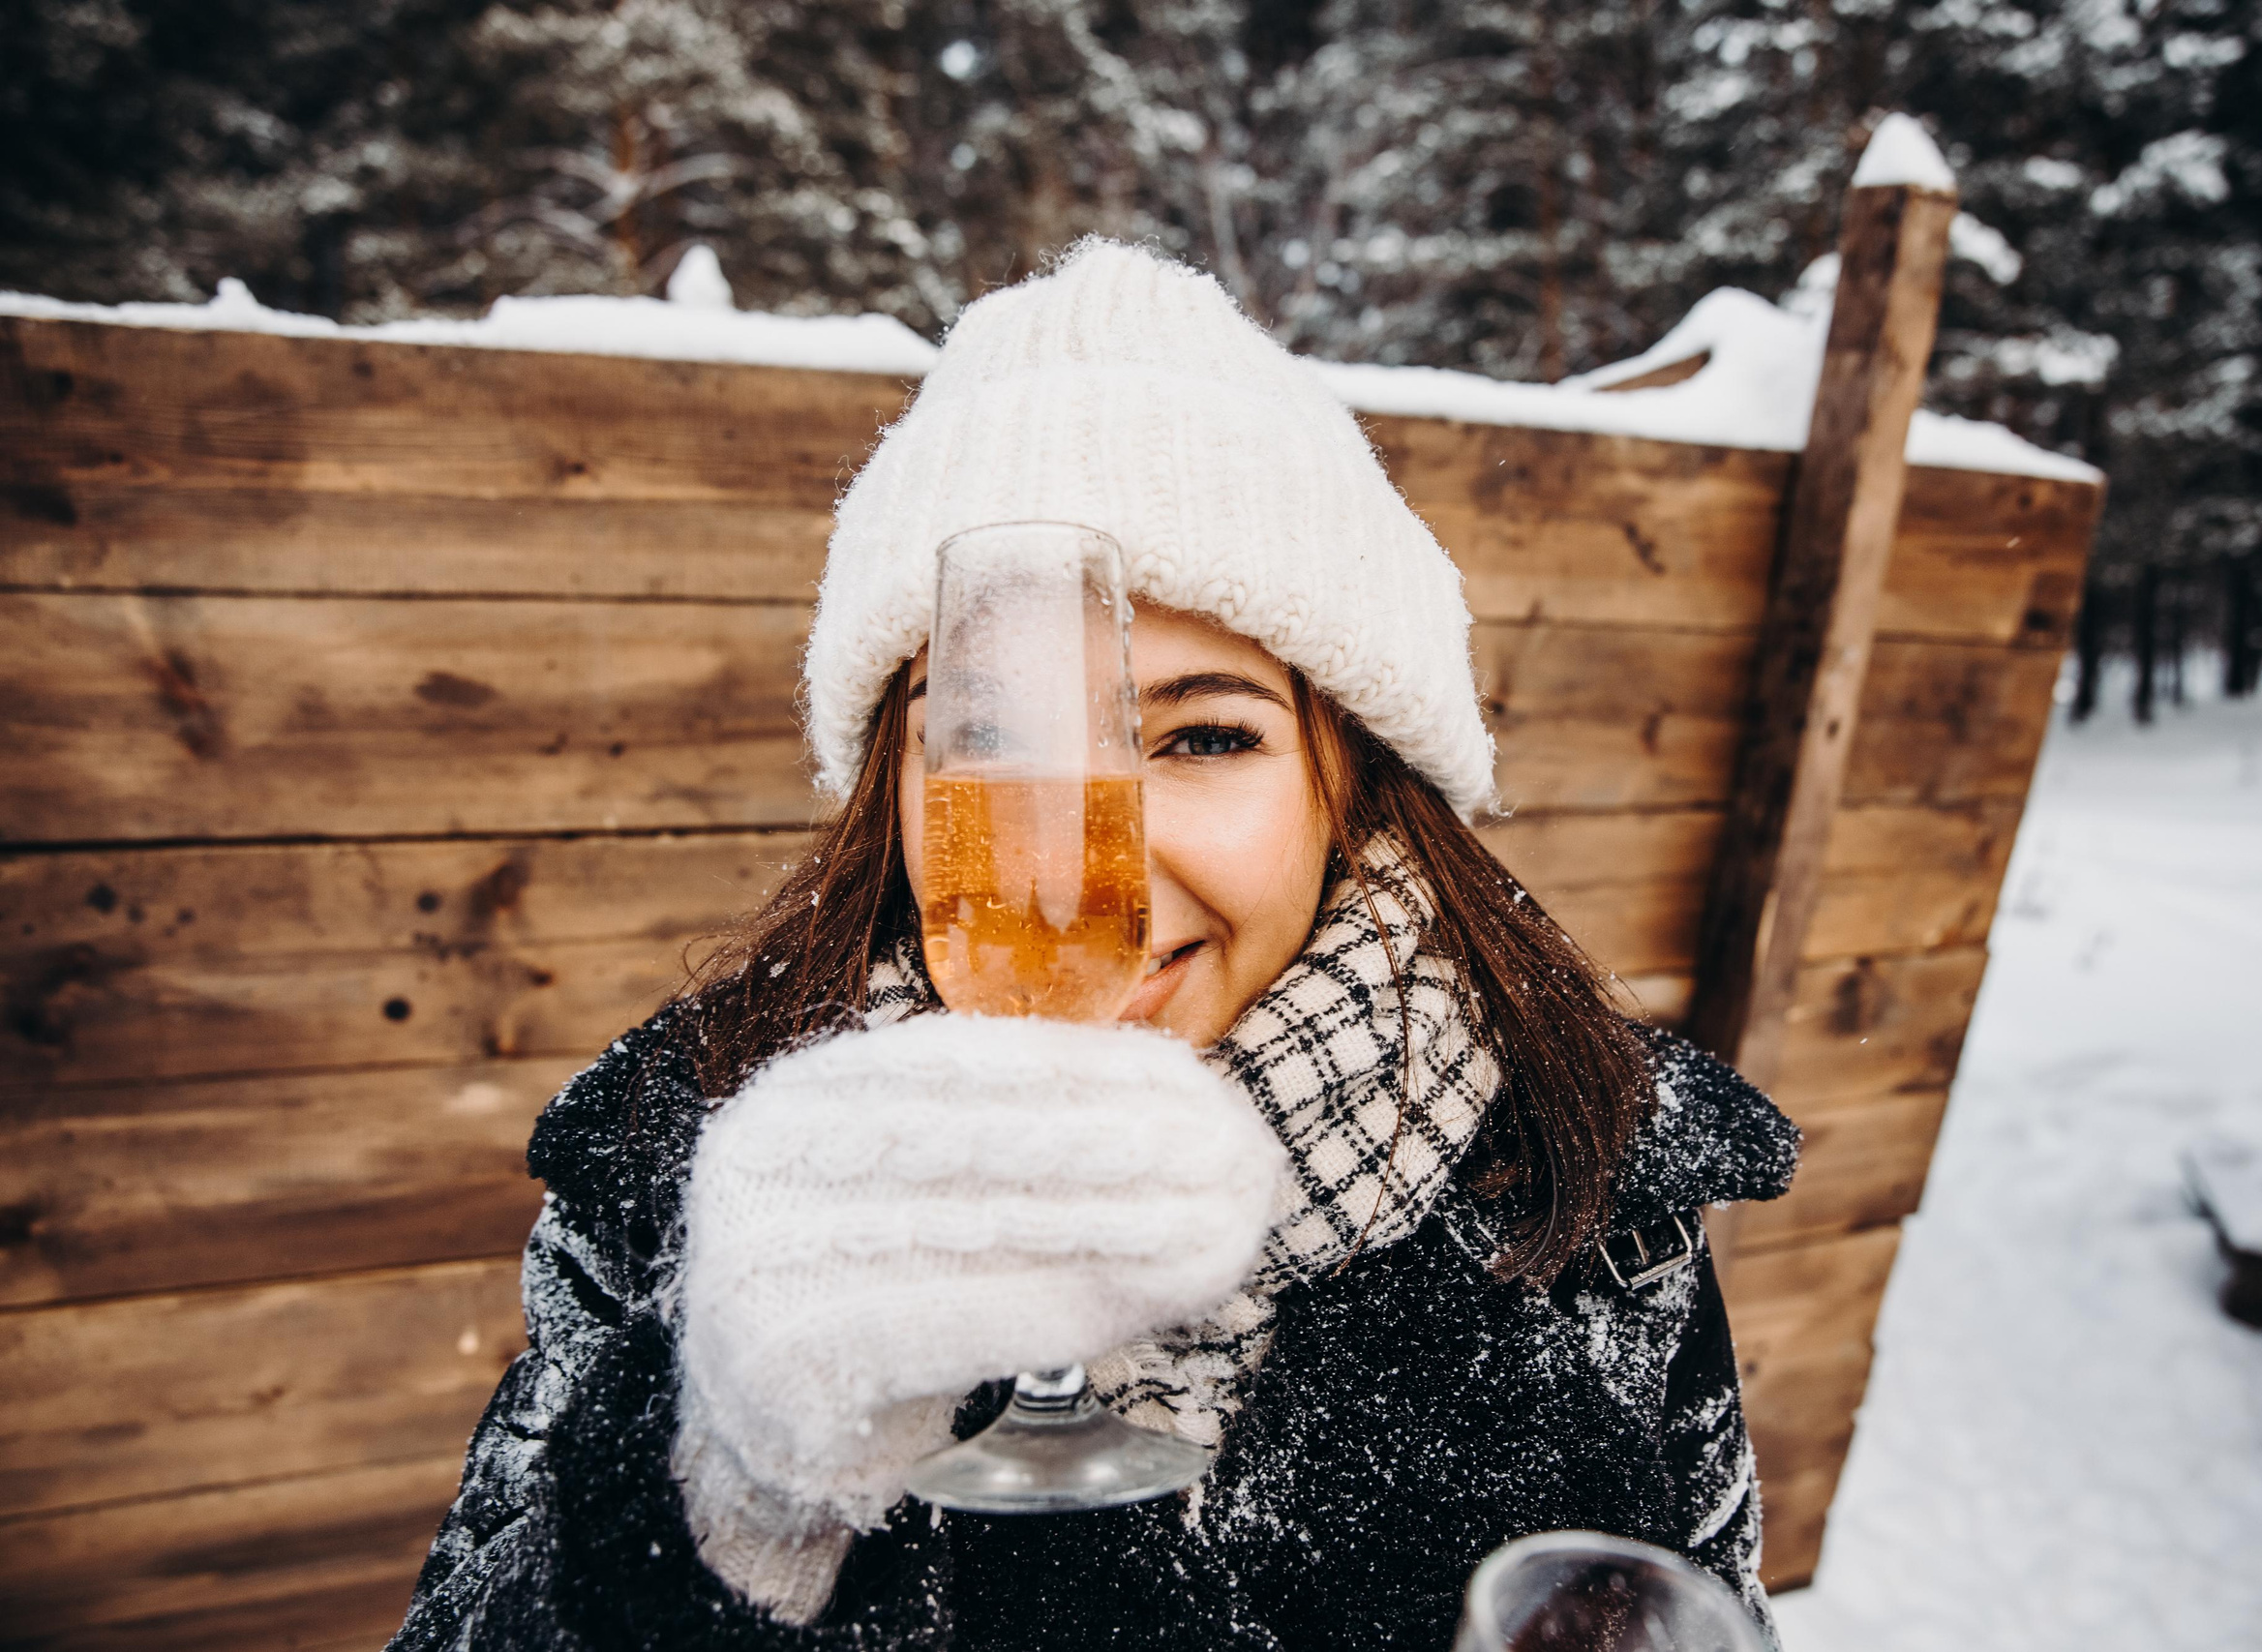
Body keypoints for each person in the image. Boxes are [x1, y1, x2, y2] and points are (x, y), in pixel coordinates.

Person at [390, 239, 1799, 1652]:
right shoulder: (681, 1175)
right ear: (896, 788)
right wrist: (721, 1493)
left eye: (1201, 736)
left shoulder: (1591, 1189)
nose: (1077, 865)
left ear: (1352, 787)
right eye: (991, 742)